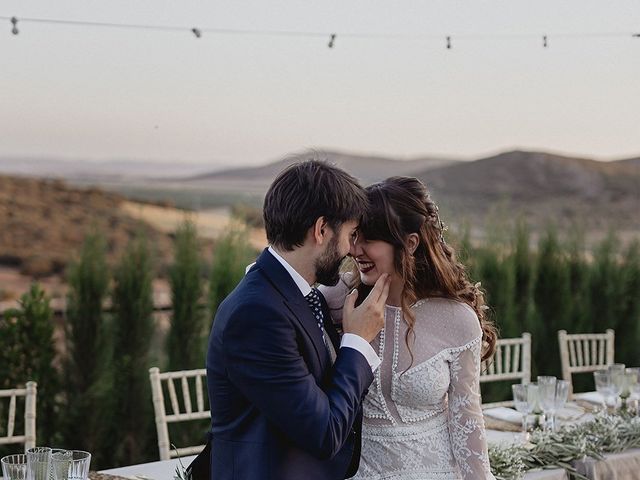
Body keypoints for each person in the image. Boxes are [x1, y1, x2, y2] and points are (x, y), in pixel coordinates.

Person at [206, 160, 391, 480]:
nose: (350, 249)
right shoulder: (257, 315)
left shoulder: (302, 296)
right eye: (350, 234)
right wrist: (358, 342)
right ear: (321, 230)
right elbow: (324, 433)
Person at [319, 176, 498, 480]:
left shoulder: (457, 319)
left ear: (410, 243)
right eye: (355, 235)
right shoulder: (336, 299)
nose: (356, 249)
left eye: (370, 239)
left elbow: (466, 418)